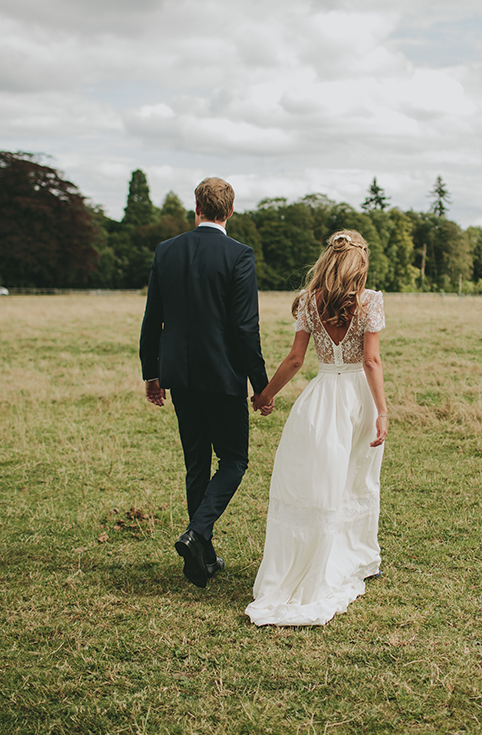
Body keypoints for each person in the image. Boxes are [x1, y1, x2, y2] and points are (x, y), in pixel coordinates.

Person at [245, 229, 388, 627]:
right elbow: (372, 362)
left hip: (322, 396)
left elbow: (294, 360)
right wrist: (382, 410)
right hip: (357, 399)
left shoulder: (310, 301)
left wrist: (265, 395)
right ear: (360, 262)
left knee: (318, 483)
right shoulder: (371, 301)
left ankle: (323, 558)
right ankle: (360, 558)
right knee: (358, 479)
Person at [138, 177, 269, 590]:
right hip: (223, 375)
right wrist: (260, 385)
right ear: (229, 212)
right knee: (233, 460)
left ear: (196, 208)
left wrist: (151, 372)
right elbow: (246, 328)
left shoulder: (166, 251)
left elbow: (152, 317)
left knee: (196, 463)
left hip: (180, 375)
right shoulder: (239, 255)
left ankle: (202, 560)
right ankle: (197, 535)